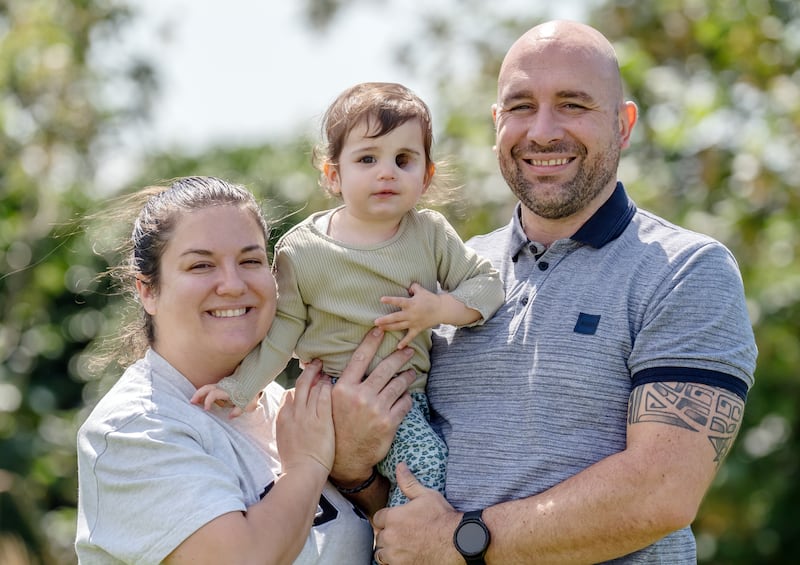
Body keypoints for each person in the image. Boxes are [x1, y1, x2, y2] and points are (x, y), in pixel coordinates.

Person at [367, 20, 758, 564]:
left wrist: (460, 539)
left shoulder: (687, 271)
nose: (543, 131)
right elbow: (390, 465)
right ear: (497, 122)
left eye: (573, 104)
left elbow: (660, 493)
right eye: (521, 106)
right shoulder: (445, 274)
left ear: (624, 126)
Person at [192, 83, 505, 507]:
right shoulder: (302, 249)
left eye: (404, 160)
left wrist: (439, 309)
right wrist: (242, 387)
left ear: (427, 175)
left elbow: (488, 284)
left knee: (428, 472)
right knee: (424, 464)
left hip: (402, 398)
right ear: (333, 175)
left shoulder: (429, 234)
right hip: (326, 396)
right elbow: (283, 329)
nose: (387, 172)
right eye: (368, 159)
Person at [74, 176, 414, 564]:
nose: (233, 285)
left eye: (250, 261)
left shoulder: (288, 406)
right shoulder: (133, 430)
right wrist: (307, 467)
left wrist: (356, 473)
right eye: (201, 265)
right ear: (148, 290)